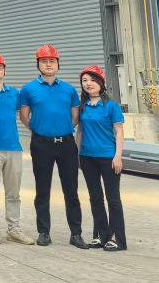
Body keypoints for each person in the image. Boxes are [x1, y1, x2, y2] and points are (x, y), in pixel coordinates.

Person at [20, 44, 87, 248]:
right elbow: (24, 116)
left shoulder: (69, 89)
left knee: (71, 191)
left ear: (58, 63)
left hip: (66, 144)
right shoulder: (28, 89)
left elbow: (75, 117)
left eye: (52, 61)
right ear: (38, 64)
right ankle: (43, 232)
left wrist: (62, 128)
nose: (48, 64)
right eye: (44, 61)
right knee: (42, 190)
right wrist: (40, 131)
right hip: (41, 145)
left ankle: (76, 233)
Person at [0, 52, 36, 245]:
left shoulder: (14, 93)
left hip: (13, 147)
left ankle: (14, 229)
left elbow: (24, 115)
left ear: (5, 70)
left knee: (14, 193)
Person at [76, 65, 126, 251]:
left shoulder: (111, 106)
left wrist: (118, 156)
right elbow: (80, 131)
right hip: (87, 157)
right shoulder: (82, 107)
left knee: (113, 198)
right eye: (85, 80)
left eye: (93, 80)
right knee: (95, 197)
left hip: (108, 157)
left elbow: (119, 132)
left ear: (101, 82)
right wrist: (77, 154)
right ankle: (100, 235)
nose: (88, 84)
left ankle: (115, 238)